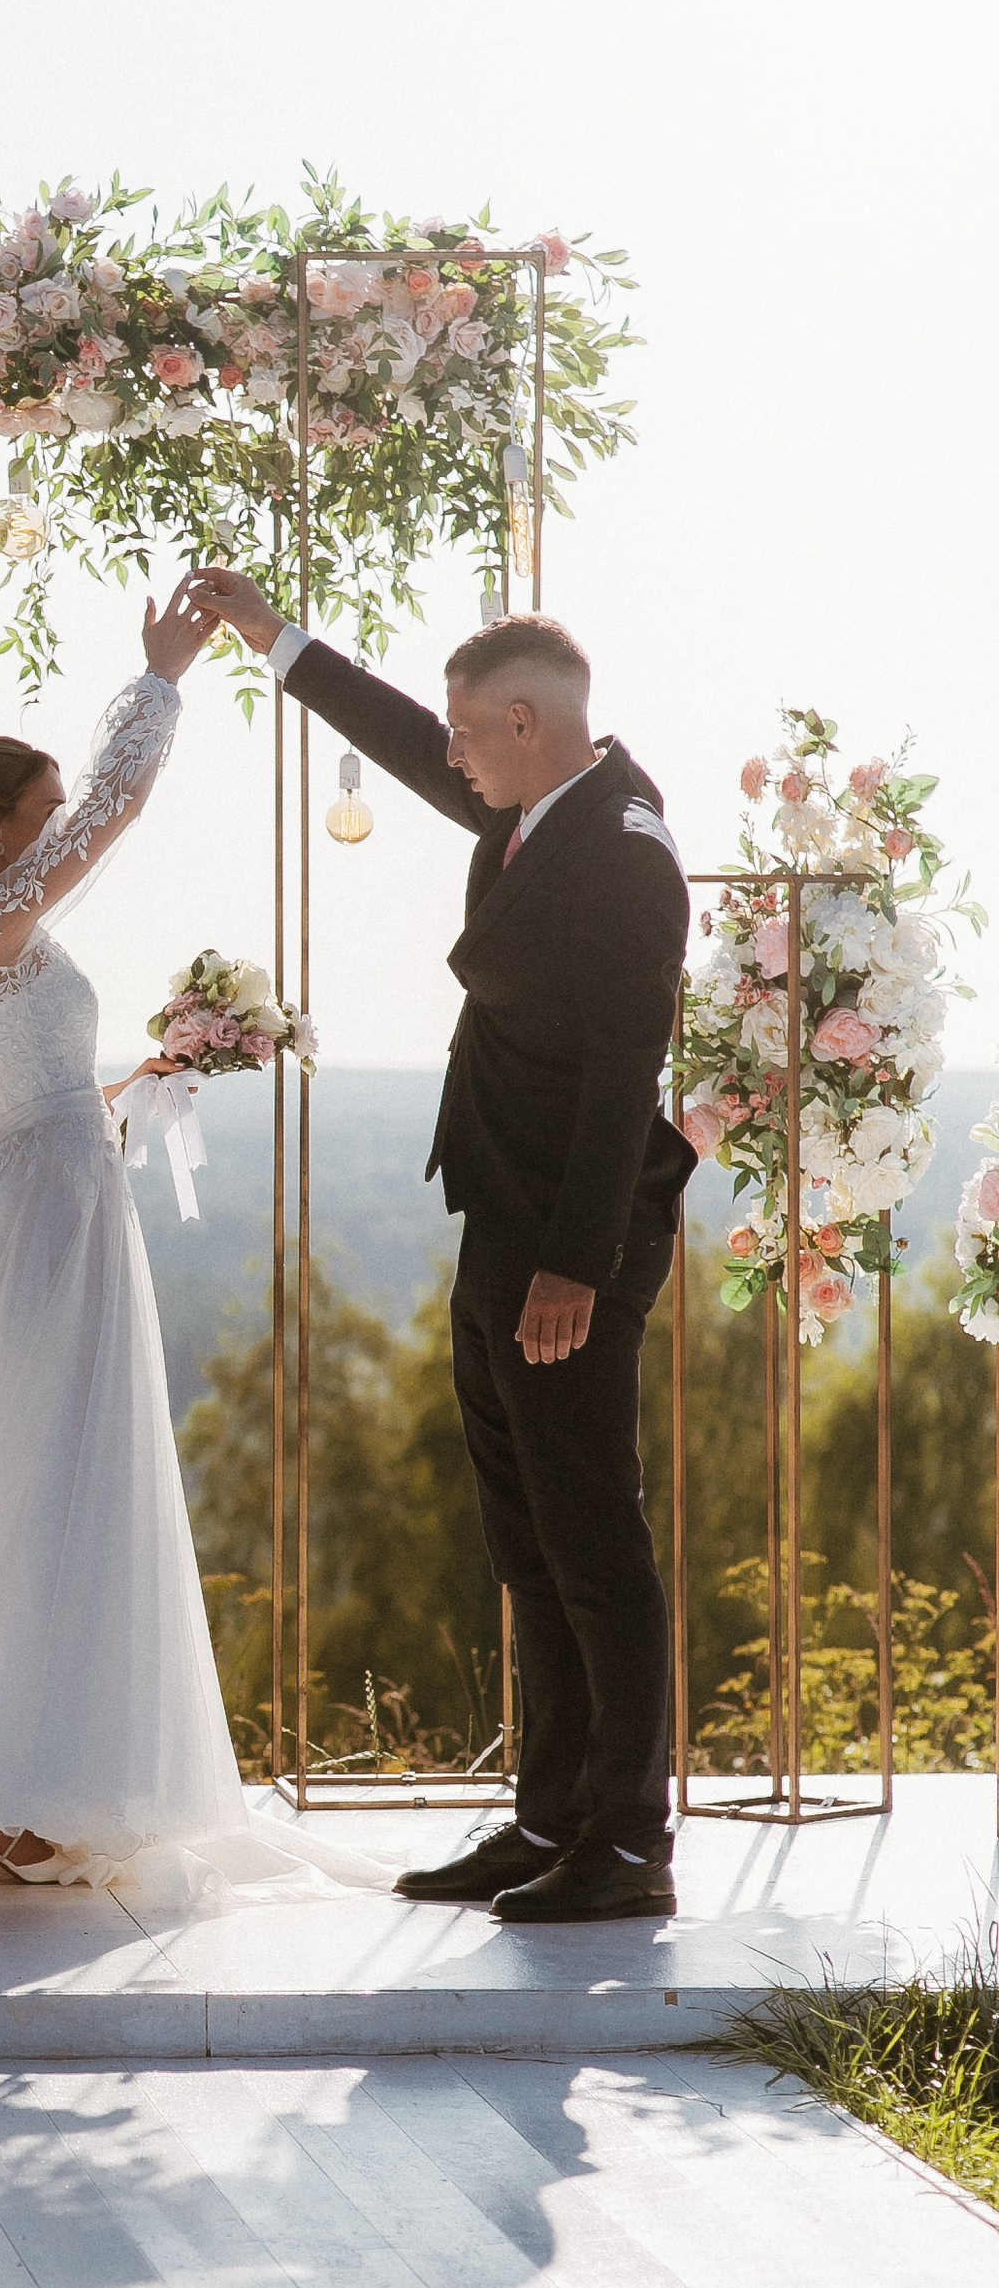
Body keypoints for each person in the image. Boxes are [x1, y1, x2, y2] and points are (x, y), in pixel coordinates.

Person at [0, 576, 372, 1907]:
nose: (62, 833)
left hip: (50, 1193)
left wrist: (136, 1083)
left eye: (57, 814)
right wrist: (160, 680)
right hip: (49, 1220)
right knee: (43, 1480)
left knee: (49, 1481)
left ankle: (28, 1790)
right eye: (42, 815)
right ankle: (15, 1796)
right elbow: (118, 812)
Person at [192, 572, 694, 1923]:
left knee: (594, 1539)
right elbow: (415, 743)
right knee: (528, 1540)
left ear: (527, 722)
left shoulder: (626, 852)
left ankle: (628, 1844)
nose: (454, 753)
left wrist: (575, 1268)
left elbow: (625, 1078)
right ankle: (549, 1818)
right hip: (501, 1219)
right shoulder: (540, 806)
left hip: (571, 1245)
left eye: (473, 730)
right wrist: (275, 641)